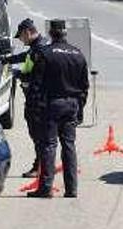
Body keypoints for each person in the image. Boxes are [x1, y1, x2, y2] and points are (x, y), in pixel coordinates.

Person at [27, 19, 89, 199]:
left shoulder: (46, 54)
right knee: (69, 146)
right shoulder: (78, 54)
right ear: (65, 33)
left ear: (51, 34)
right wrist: (79, 109)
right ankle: (71, 189)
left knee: (49, 145)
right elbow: (84, 87)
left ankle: (45, 188)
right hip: (72, 104)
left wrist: (35, 109)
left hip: (52, 105)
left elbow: (36, 85)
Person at [0, 19, 50, 178]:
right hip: (34, 97)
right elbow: (26, 57)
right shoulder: (36, 47)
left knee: (38, 135)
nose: (21, 40)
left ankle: (40, 167)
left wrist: (18, 74)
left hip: (37, 99)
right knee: (38, 135)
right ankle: (42, 165)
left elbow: (36, 75)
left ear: (27, 32)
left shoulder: (40, 49)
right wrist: (8, 60)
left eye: (21, 37)